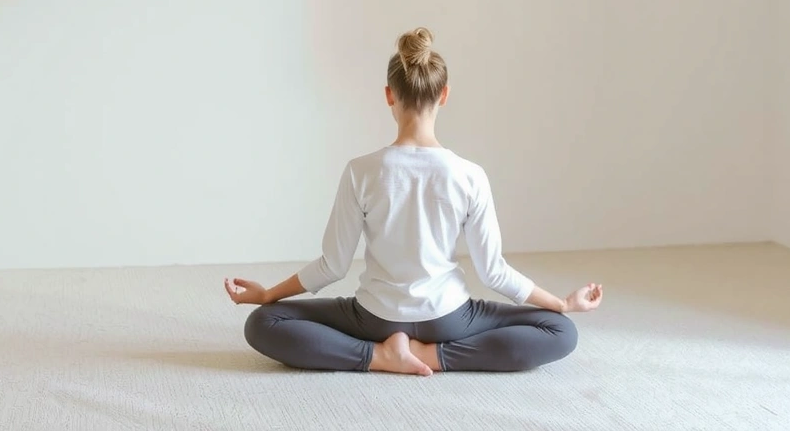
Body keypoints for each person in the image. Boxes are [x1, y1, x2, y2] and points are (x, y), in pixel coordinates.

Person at [225, 27, 603, 375]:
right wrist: (562, 304)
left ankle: (378, 355)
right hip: (450, 319)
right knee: (560, 330)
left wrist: (269, 294)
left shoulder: (361, 170)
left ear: (389, 95)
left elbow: (332, 266)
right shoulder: (470, 175)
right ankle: (434, 355)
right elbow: (493, 273)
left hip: (374, 319)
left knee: (263, 322)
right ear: (444, 95)